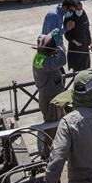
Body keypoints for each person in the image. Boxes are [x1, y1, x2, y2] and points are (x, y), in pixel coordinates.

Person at [33, 29, 67, 157]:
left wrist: (51, 38)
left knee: (61, 121)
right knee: (52, 127)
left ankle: (64, 145)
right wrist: (59, 44)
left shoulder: (39, 57)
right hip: (52, 98)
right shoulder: (45, 63)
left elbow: (42, 39)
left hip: (47, 95)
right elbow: (62, 60)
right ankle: (47, 155)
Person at [64, 1, 92, 71]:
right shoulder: (69, 17)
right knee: (76, 68)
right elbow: (67, 34)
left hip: (84, 47)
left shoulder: (84, 16)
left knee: (85, 67)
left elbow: (87, 31)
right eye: (77, 9)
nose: (79, 11)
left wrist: (90, 43)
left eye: (81, 9)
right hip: (74, 48)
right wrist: (75, 42)